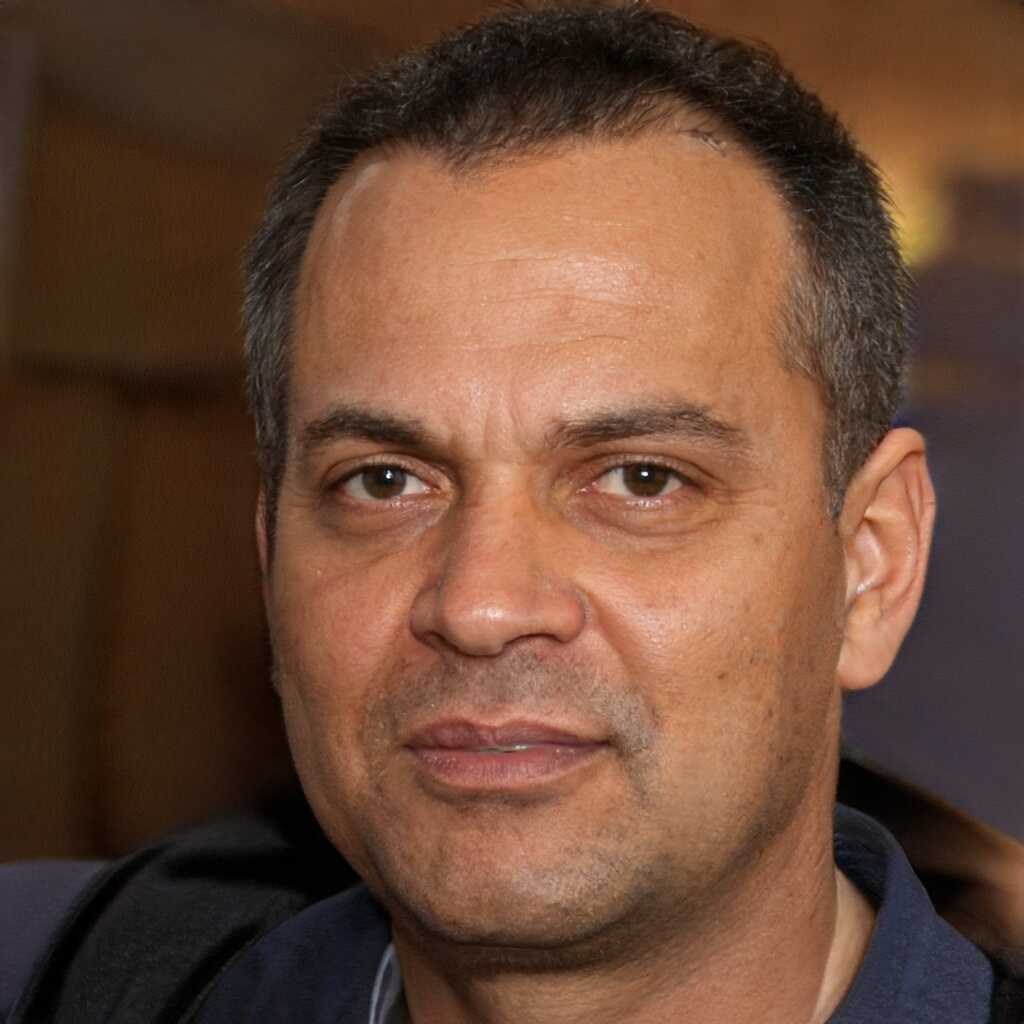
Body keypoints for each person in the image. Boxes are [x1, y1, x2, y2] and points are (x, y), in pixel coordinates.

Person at [4, 4, 1023, 1022]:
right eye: (383, 481)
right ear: (271, 561)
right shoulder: (78, 981)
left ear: (871, 565)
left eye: (640, 480)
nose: (479, 605)